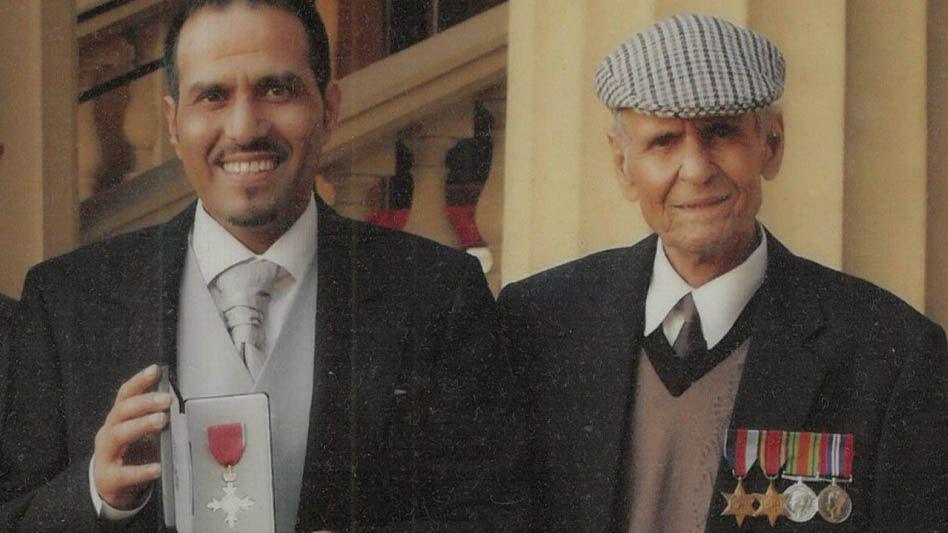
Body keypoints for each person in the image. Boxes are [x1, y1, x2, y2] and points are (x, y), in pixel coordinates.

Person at [0, 1, 522, 531]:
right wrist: (98, 493)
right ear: (173, 123)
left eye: (276, 90)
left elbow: (496, 516)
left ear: (329, 108)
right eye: (213, 96)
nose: (244, 127)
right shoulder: (65, 300)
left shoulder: (438, 293)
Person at [499, 13, 948, 532]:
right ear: (622, 165)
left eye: (721, 133)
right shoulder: (537, 324)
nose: (696, 168)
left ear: (771, 145)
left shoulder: (890, 351)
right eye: (664, 141)